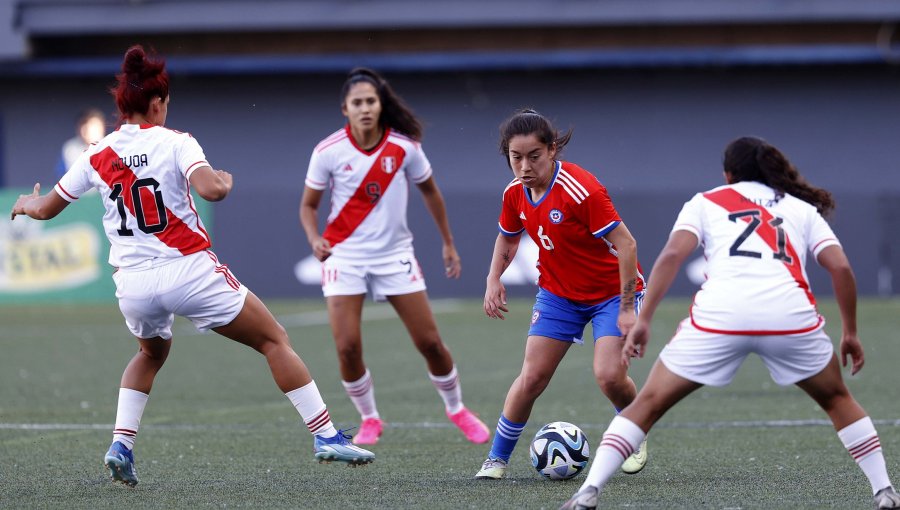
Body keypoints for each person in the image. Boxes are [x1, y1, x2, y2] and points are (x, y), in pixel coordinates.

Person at [10, 45, 374, 487]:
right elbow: (211, 190)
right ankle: (325, 436)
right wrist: (223, 179)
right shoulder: (177, 142)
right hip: (187, 270)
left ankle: (121, 445)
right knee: (274, 340)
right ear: (158, 103)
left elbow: (47, 209)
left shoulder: (96, 154)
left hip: (134, 284)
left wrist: (27, 204)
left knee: (149, 354)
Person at [560, 136, 900, 510]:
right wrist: (850, 332)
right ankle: (884, 491)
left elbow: (673, 254)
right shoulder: (800, 208)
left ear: (727, 174)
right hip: (788, 316)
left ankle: (588, 493)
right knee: (838, 400)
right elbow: (841, 268)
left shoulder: (705, 202)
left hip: (720, 317)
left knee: (648, 403)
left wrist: (644, 319)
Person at [299, 67, 490, 446]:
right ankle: (369, 417)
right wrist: (314, 238)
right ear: (345, 109)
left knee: (430, 343)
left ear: (381, 104)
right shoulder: (327, 151)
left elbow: (431, 192)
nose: (365, 108)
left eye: (371, 101)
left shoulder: (405, 148)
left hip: (394, 255)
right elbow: (308, 206)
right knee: (347, 346)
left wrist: (447, 242)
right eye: (357, 103)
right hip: (344, 256)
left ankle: (457, 408)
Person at [475, 109, 648, 480]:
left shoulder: (580, 189)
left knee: (609, 377)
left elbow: (627, 244)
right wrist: (493, 278)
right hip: (558, 295)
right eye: (515, 157)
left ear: (552, 149)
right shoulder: (514, 193)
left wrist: (629, 308)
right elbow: (508, 236)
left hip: (610, 295)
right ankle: (496, 459)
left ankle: (634, 431)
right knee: (532, 377)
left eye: (533, 156)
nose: (524, 166)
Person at [55, 108, 107, 177]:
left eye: (91, 125)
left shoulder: (113, 145)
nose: (86, 129)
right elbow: (62, 176)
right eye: (83, 125)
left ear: (102, 127)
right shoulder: (70, 148)